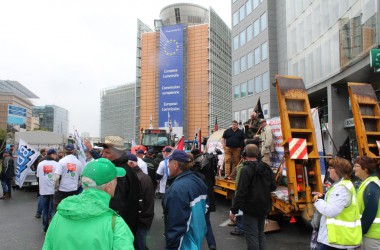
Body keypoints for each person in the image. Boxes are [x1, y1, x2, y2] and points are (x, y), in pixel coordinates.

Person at [43, 158, 134, 249]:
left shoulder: (61, 213)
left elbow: (47, 246)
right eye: (115, 179)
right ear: (109, 186)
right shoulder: (115, 224)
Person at [230, 144, 276, 250]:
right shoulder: (266, 167)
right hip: (264, 206)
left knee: (252, 236)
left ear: (244, 154)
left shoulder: (245, 170)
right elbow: (273, 186)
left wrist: (233, 211)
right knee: (260, 234)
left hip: (250, 208)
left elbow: (241, 192)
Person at [97, 135, 142, 237]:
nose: (103, 156)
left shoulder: (118, 174)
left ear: (119, 154)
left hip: (119, 230)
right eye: (103, 152)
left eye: (107, 153)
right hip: (127, 226)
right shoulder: (126, 169)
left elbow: (116, 207)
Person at [163, 149, 208, 249]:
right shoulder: (198, 181)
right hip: (196, 239)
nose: (167, 166)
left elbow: (177, 226)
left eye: (169, 164)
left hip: (185, 244)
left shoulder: (177, 190)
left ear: (175, 165)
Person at [313, 157, 362, 249]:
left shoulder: (341, 188)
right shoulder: (342, 185)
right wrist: (323, 197)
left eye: (330, 168)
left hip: (336, 240)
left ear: (338, 170)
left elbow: (331, 211)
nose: (328, 170)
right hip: (336, 239)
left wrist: (317, 201)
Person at [127, 153, 155, 250]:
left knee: (139, 245)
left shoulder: (137, 178)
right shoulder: (143, 176)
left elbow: (140, 202)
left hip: (141, 220)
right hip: (144, 219)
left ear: (131, 164)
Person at [191, 149, 217, 250]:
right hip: (208, 195)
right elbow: (213, 181)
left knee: (194, 222)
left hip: (198, 196)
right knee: (207, 221)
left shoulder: (194, 169)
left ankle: (196, 245)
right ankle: (212, 243)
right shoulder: (208, 165)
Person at [353, 156, 380, 249]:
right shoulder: (369, 183)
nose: (354, 169)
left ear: (365, 168)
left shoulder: (371, 185)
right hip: (372, 234)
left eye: (356, 166)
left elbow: (370, 212)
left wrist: (360, 231)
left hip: (372, 235)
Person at [53, 144, 84, 211]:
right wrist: (76, 185)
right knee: (70, 209)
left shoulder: (62, 161)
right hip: (73, 190)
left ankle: (58, 221)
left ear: (65, 151)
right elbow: (81, 178)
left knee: (58, 210)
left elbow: (56, 177)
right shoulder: (79, 163)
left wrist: (56, 187)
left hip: (62, 190)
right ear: (73, 151)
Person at [36, 149, 60, 232]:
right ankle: (53, 228)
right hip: (53, 190)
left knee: (45, 210)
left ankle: (45, 227)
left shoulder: (40, 164)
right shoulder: (56, 164)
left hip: (43, 190)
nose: (56, 156)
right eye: (55, 154)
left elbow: (38, 176)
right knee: (53, 209)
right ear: (52, 155)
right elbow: (58, 177)